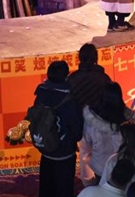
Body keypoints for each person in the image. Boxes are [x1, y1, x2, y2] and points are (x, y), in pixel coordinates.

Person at [34, 61, 84, 197]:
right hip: (65, 155)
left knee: (46, 190)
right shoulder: (70, 100)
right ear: (66, 76)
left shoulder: (40, 94)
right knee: (64, 190)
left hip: (45, 151)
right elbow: (77, 132)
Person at [80, 82, 135, 186]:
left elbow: (85, 150)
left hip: (99, 170)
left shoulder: (91, 121)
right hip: (124, 171)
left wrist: (86, 179)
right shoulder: (129, 120)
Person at [68, 43, 113, 109]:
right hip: (99, 117)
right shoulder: (104, 78)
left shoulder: (72, 78)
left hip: (78, 117)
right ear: (96, 57)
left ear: (80, 57)